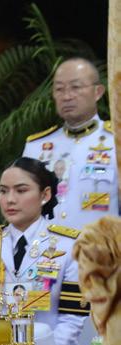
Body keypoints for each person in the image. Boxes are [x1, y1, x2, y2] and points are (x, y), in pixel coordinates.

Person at [0, 157, 89, 345]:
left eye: (21, 190)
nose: (10, 199)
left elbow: (73, 317)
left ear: (45, 195)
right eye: (3, 191)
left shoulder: (70, 245)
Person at [23, 57, 116, 229]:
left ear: (98, 92)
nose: (66, 96)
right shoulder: (36, 147)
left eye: (76, 87)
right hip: (45, 245)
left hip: (99, 244)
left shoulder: (116, 141)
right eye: (59, 89)